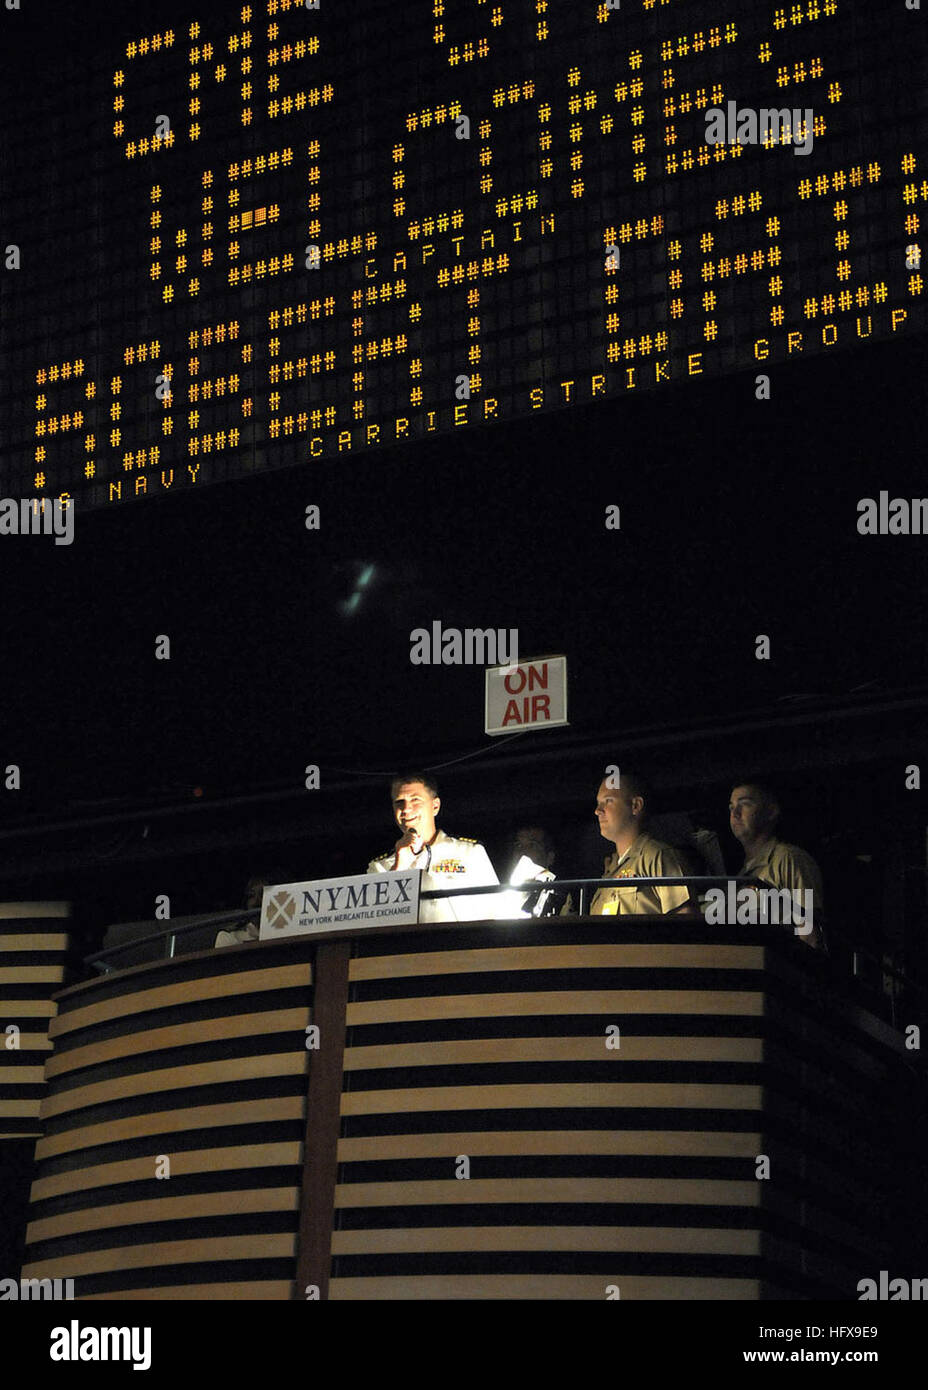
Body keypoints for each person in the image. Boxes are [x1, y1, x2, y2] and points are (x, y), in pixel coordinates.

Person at [367, 772, 499, 921]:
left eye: (415, 800)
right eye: (399, 802)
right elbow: (377, 920)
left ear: (435, 806)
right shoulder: (380, 867)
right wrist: (399, 866)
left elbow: (497, 911)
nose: (406, 809)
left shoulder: (469, 852)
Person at [728, 780, 824, 948]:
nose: (735, 813)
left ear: (771, 812)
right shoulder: (741, 873)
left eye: (745, 804)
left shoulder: (788, 858)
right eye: (731, 807)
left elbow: (809, 933)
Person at [590, 771, 697, 916]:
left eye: (608, 800)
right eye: (598, 803)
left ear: (635, 805)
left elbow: (685, 923)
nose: (598, 811)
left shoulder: (658, 857)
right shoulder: (610, 871)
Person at [214, 870, 285, 947]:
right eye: (251, 895)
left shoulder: (287, 932)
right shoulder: (230, 936)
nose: (256, 902)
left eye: (263, 895)